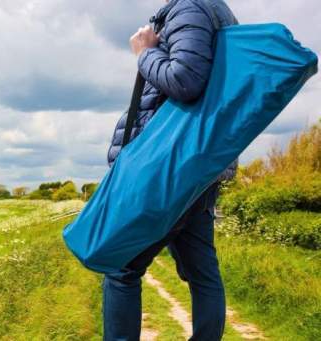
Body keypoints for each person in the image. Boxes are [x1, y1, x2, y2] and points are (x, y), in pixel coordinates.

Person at [103, 0, 238, 340]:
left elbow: (185, 80)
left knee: (121, 265)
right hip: (198, 165)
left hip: (172, 168)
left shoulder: (190, 8)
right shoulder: (214, 9)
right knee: (202, 271)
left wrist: (145, 52)